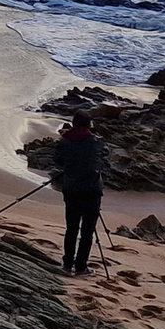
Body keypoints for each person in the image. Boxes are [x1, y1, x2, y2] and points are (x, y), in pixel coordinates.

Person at [53, 115, 104, 274]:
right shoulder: (95, 142)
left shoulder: (64, 141)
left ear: (73, 124)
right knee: (87, 231)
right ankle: (81, 266)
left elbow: (58, 160)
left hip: (72, 189)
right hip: (91, 191)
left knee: (71, 229)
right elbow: (104, 152)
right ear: (89, 124)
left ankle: (67, 263)